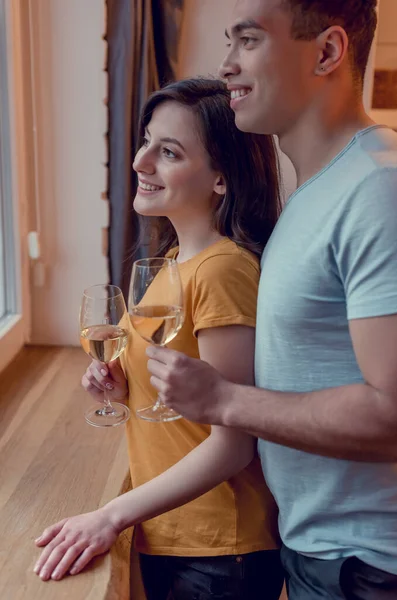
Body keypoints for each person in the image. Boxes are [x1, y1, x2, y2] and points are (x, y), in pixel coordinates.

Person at [145, 1, 397, 599]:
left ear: (328, 52)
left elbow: (394, 415)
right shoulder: (321, 190)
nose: (227, 66)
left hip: (368, 567)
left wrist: (226, 401)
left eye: (249, 41)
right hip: (321, 553)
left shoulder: (378, 190)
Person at [33, 78, 285, 599]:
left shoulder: (221, 271)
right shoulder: (168, 263)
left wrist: (109, 515)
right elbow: (183, 398)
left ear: (222, 177)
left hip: (217, 549)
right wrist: (121, 388)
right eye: (146, 141)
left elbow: (233, 442)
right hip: (172, 533)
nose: (140, 162)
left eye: (167, 151)